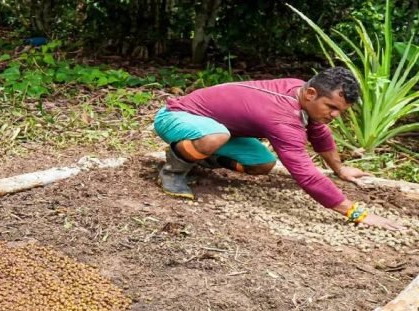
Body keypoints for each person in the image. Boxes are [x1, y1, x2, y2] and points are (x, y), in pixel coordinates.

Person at [154, 66, 404, 230]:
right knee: (215, 137)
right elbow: (305, 174)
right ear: (311, 94)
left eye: (341, 111)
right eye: (332, 107)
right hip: (177, 116)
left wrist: (340, 170)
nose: (335, 115)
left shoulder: (301, 91)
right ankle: (174, 169)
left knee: (263, 164)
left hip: (215, 127)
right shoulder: (281, 116)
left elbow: (318, 132)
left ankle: (201, 156)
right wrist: (355, 213)